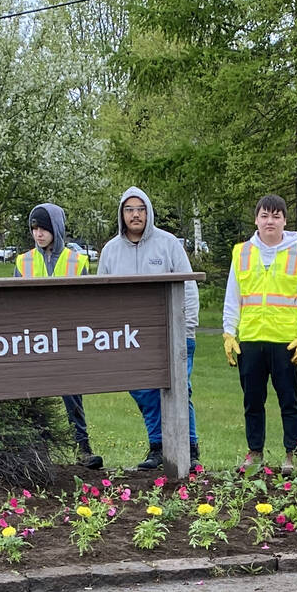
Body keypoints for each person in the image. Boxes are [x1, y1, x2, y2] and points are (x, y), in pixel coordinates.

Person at [98, 187, 200, 471]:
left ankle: (189, 449)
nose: (135, 214)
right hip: (129, 337)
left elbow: (188, 287)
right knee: (143, 390)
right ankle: (158, 446)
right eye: (129, 209)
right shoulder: (110, 250)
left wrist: (187, 329)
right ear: (122, 214)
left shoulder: (168, 244)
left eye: (140, 209)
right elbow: (101, 296)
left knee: (179, 390)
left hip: (171, 332)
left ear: (149, 212)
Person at [222, 194, 297, 464]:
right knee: (252, 401)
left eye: (276, 216)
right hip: (250, 340)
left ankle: (291, 455)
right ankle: (255, 452)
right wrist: (229, 332)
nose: (270, 221)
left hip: (286, 341)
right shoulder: (241, 252)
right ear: (256, 219)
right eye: (264, 215)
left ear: (285, 220)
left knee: (289, 401)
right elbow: (233, 296)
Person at [16, 203, 100, 468]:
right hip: (34, 341)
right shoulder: (23, 261)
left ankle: (82, 447)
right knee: (32, 398)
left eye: (44, 228)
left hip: (66, 341)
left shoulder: (78, 262)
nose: (38, 233)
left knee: (72, 395)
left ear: (57, 229)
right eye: (34, 228)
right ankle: (35, 452)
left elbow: (86, 305)